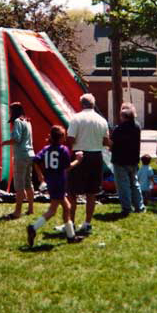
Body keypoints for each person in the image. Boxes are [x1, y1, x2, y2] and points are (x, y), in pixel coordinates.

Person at [28, 125, 83, 246]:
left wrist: (40, 175)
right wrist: (78, 161)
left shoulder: (46, 149)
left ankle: (71, 236)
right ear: (61, 137)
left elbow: (36, 161)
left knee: (67, 207)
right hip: (59, 182)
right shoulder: (63, 149)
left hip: (51, 181)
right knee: (52, 210)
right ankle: (33, 227)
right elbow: (67, 167)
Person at [65, 93, 110, 235]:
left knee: (72, 192)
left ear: (81, 103)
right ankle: (87, 223)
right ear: (93, 104)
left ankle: (70, 224)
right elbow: (105, 141)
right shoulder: (102, 120)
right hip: (97, 156)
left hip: (80, 155)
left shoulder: (76, 118)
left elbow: (70, 139)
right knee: (91, 192)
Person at [0, 102, 35, 219]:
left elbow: (16, 139)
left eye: (10, 111)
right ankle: (31, 209)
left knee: (19, 185)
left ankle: (17, 212)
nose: (9, 113)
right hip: (30, 154)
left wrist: (2, 144)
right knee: (28, 182)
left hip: (21, 156)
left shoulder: (17, 122)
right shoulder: (27, 121)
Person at [110, 105, 143, 214]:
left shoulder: (118, 129)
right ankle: (139, 206)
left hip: (120, 160)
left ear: (123, 116)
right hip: (133, 159)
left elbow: (112, 143)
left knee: (123, 185)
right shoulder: (137, 127)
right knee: (134, 183)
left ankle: (127, 207)